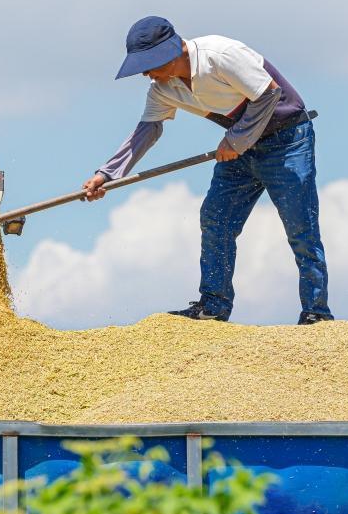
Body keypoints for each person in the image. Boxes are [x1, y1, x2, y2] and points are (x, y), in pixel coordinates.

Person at [83, 16, 333, 325]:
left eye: (149, 64)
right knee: (216, 218)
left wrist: (236, 139)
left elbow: (269, 93)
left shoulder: (221, 54)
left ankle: (316, 311)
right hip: (240, 150)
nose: (146, 72)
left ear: (172, 52)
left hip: (288, 140)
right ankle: (213, 305)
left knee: (300, 226)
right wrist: (107, 174)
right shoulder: (162, 88)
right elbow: (147, 131)